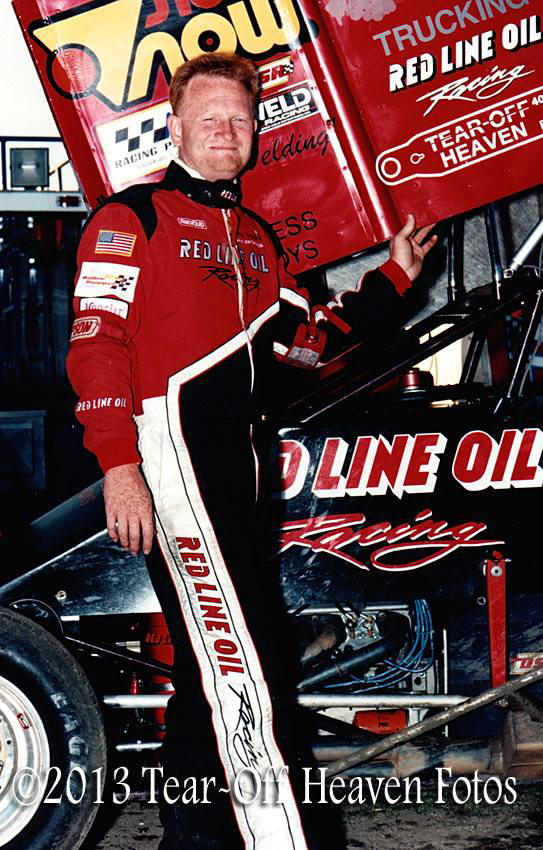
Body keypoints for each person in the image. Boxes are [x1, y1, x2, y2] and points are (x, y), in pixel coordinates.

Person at [67, 52, 436, 850]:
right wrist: (120, 466)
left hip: (240, 477)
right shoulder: (131, 219)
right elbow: (95, 347)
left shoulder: (257, 240)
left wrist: (394, 280)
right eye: (209, 119)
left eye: (239, 120)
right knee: (244, 671)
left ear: (255, 133)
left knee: (215, 670)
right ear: (174, 129)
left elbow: (310, 344)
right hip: (172, 462)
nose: (225, 133)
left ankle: (194, 838)